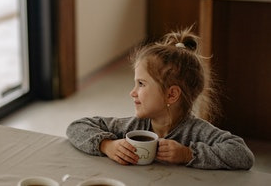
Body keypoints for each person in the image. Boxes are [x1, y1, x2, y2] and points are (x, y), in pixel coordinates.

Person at [66, 28, 254, 170]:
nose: (132, 93)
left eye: (141, 84)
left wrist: (188, 154)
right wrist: (107, 145)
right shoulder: (132, 127)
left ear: (171, 94)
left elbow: (243, 155)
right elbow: (76, 127)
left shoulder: (197, 132)